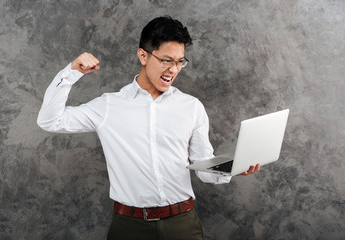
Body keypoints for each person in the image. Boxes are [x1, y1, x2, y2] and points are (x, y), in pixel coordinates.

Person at [37, 16, 260, 240]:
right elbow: (50, 121)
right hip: (130, 227)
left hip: (182, 225)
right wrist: (71, 72)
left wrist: (232, 167)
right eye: (166, 60)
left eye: (180, 62)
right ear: (143, 55)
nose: (173, 70)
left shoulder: (191, 107)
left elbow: (202, 169)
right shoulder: (108, 106)